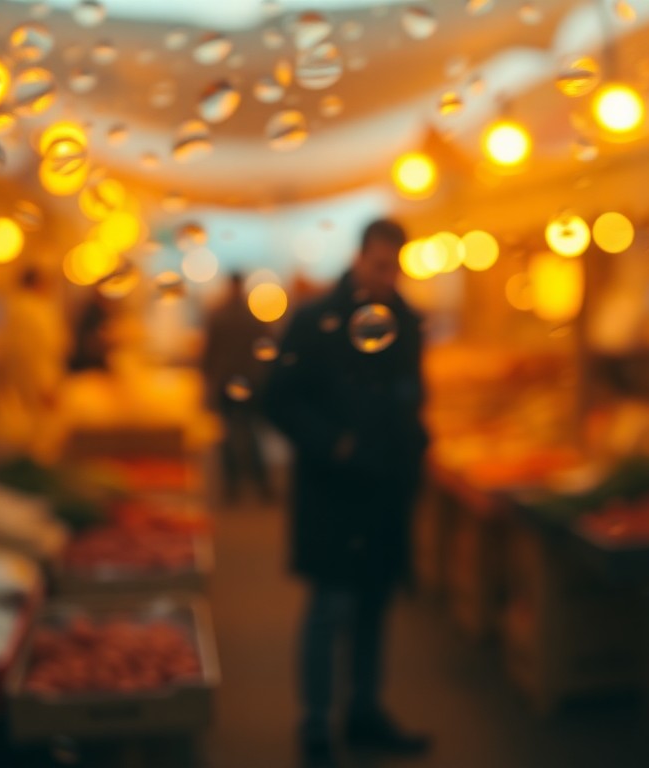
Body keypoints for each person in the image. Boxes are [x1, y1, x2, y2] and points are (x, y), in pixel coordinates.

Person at [265, 219, 431, 768]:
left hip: (385, 490)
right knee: (330, 608)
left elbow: (412, 397)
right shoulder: (315, 321)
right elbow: (277, 399)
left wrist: (414, 447)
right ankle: (315, 725)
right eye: (378, 265)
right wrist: (332, 443)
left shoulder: (406, 322)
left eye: (394, 267)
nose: (386, 278)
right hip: (334, 494)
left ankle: (364, 712)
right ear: (360, 259)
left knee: (375, 606)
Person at [201, 272, 275, 505]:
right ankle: (260, 485)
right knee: (250, 432)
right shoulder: (253, 316)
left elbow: (208, 353)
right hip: (249, 381)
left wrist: (208, 381)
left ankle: (232, 487)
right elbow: (266, 349)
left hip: (226, 381)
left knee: (230, 435)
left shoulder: (218, 314)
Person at [0, 268, 67, 419]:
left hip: (24, 378)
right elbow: (39, 350)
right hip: (39, 379)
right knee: (43, 421)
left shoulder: (15, 308)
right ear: (38, 283)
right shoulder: (35, 312)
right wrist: (46, 384)